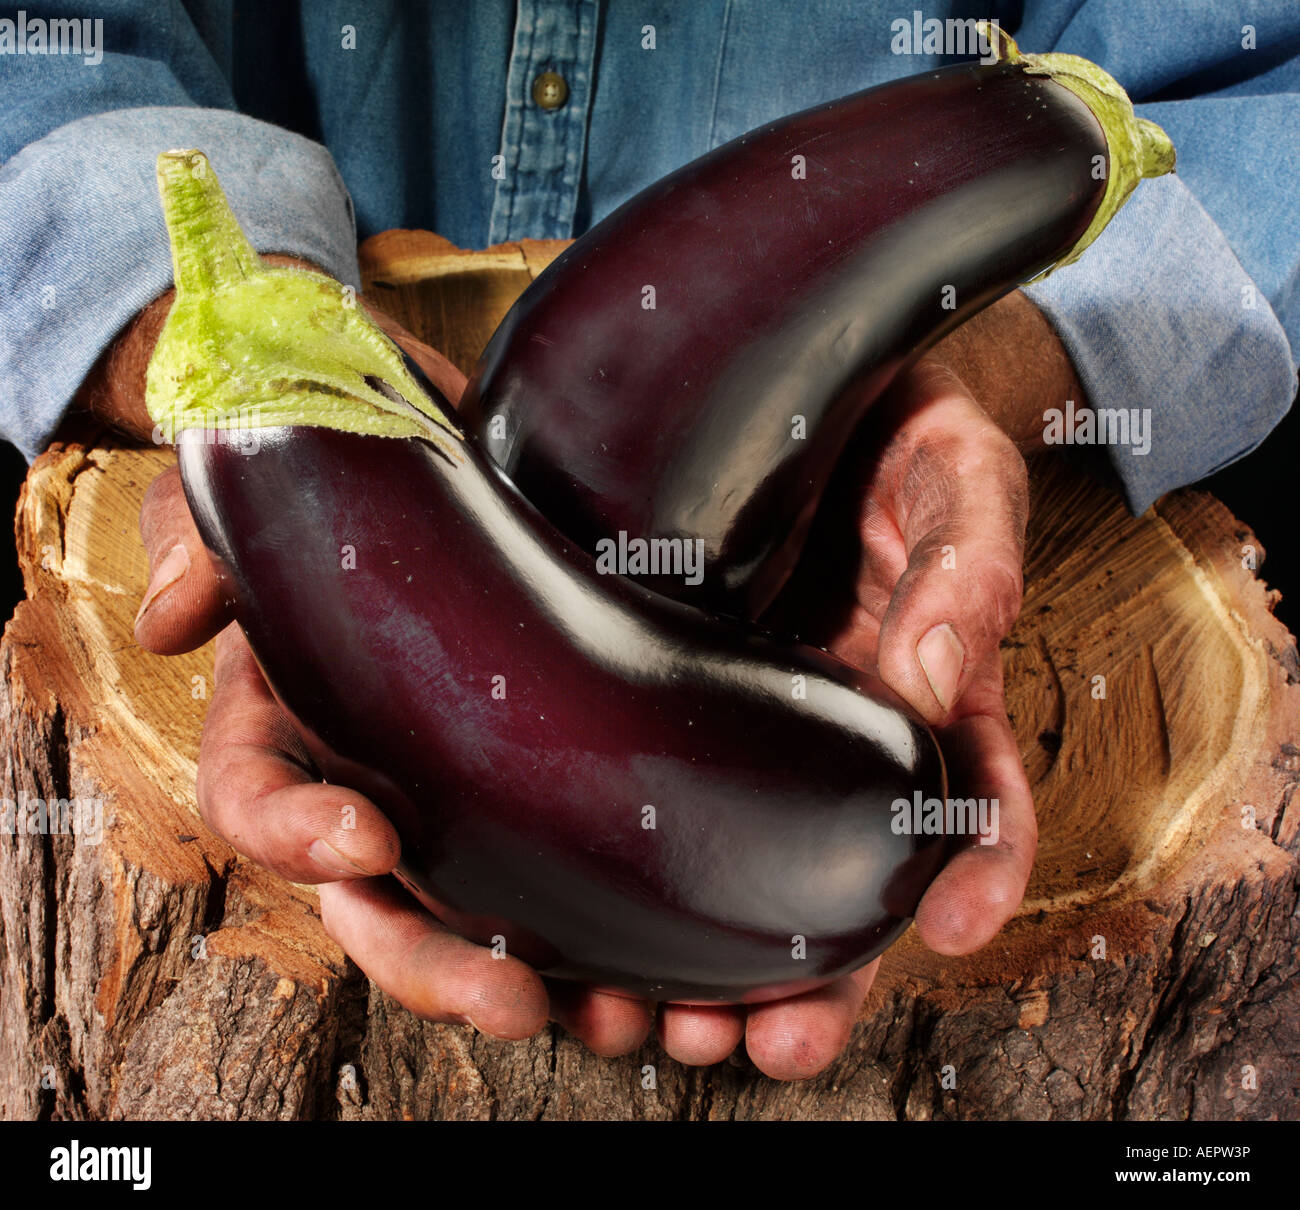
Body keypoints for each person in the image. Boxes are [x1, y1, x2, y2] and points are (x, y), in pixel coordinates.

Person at [2, 1, 1296, 1081]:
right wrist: (237, 367)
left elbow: (1267, 73)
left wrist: (981, 356)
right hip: (411, 412)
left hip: (956, 521)